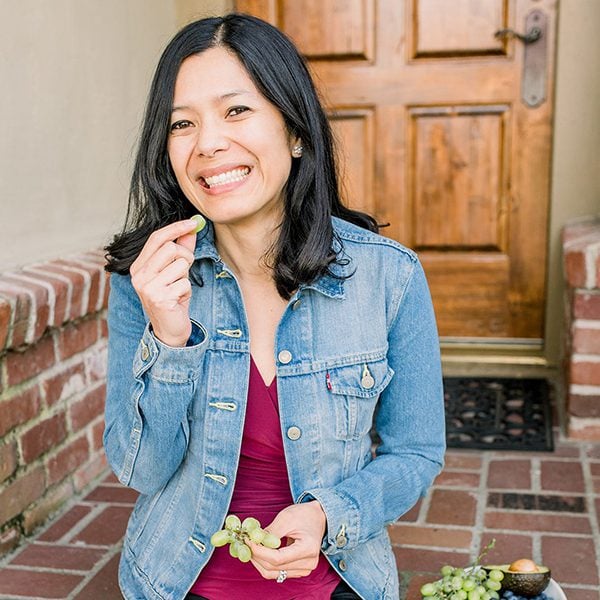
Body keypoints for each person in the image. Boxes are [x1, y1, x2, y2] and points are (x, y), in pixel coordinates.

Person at [104, 13, 445, 600]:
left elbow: (416, 452)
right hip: (172, 583)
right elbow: (141, 470)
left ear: (296, 131)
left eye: (236, 111)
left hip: (337, 584)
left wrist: (328, 515)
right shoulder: (148, 279)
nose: (208, 143)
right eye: (182, 123)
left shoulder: (389, 276)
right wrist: (169, 338)